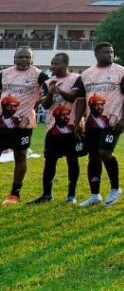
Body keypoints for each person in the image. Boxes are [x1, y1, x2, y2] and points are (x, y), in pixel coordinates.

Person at [79, 43, 124, 207]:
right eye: (105, 52)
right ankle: (95, 195)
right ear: (96, 54)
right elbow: (82, 100)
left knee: (105, 152)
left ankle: (115, 189)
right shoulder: (86, 74)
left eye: (111, 52)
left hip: (112, 121)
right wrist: (77, 122)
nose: (109, 54)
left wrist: (123, 119)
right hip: (91, 123)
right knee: (93, 156)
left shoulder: (122, 71)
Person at [29, 53, 86, 204]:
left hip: (71, 127)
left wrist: (59, 91)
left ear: (66, 64)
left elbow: (74, 97)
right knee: (50, 161)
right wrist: (50, 94)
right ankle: (47, 194)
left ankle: (71, 195)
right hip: (52, 128)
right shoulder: (48, 82)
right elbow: (46, 105)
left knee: (72, 160)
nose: (53, 66)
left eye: (56, 64)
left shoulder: (76, 78)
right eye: (52, 63)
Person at [0, 47, 49, 204]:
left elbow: (49, 90)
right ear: (14, 58)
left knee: (20, 155)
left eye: (27, 57)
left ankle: (15, 193)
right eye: (20, 57)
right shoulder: (4, 73)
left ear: (32, 59)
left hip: (23, 123)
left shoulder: (38, 74)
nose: (24, 60)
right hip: (2, 122)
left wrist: (39, 101)